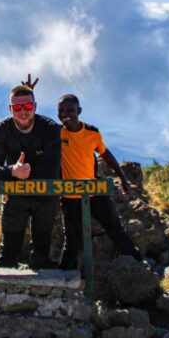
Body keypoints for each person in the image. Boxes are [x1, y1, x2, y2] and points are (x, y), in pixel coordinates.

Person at [56, 93, 143, 270]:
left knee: (115, 229)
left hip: (94, 192)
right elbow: (32, 122)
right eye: (61, 111)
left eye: (70, 110)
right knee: (73, 240)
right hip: (70, 196)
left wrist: (122, 176)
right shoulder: (57, 133)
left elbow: (105, 154)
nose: (66, 114)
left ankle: (138, 265)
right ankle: (63, 280)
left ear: (79, 111)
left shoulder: (92, 133)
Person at [0, 85, 62, 269]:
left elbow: (53, 167)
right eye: (17, 108)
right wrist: (12, 171)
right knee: (9, 250)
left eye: (27, 107)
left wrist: (23, 173)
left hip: (45, 195)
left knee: (42, 250)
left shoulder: (50, 129)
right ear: (10, 109)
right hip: (16, 194)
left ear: (35, 106)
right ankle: (2, 292)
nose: (23, 112)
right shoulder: (1, 130)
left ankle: (42, 288)